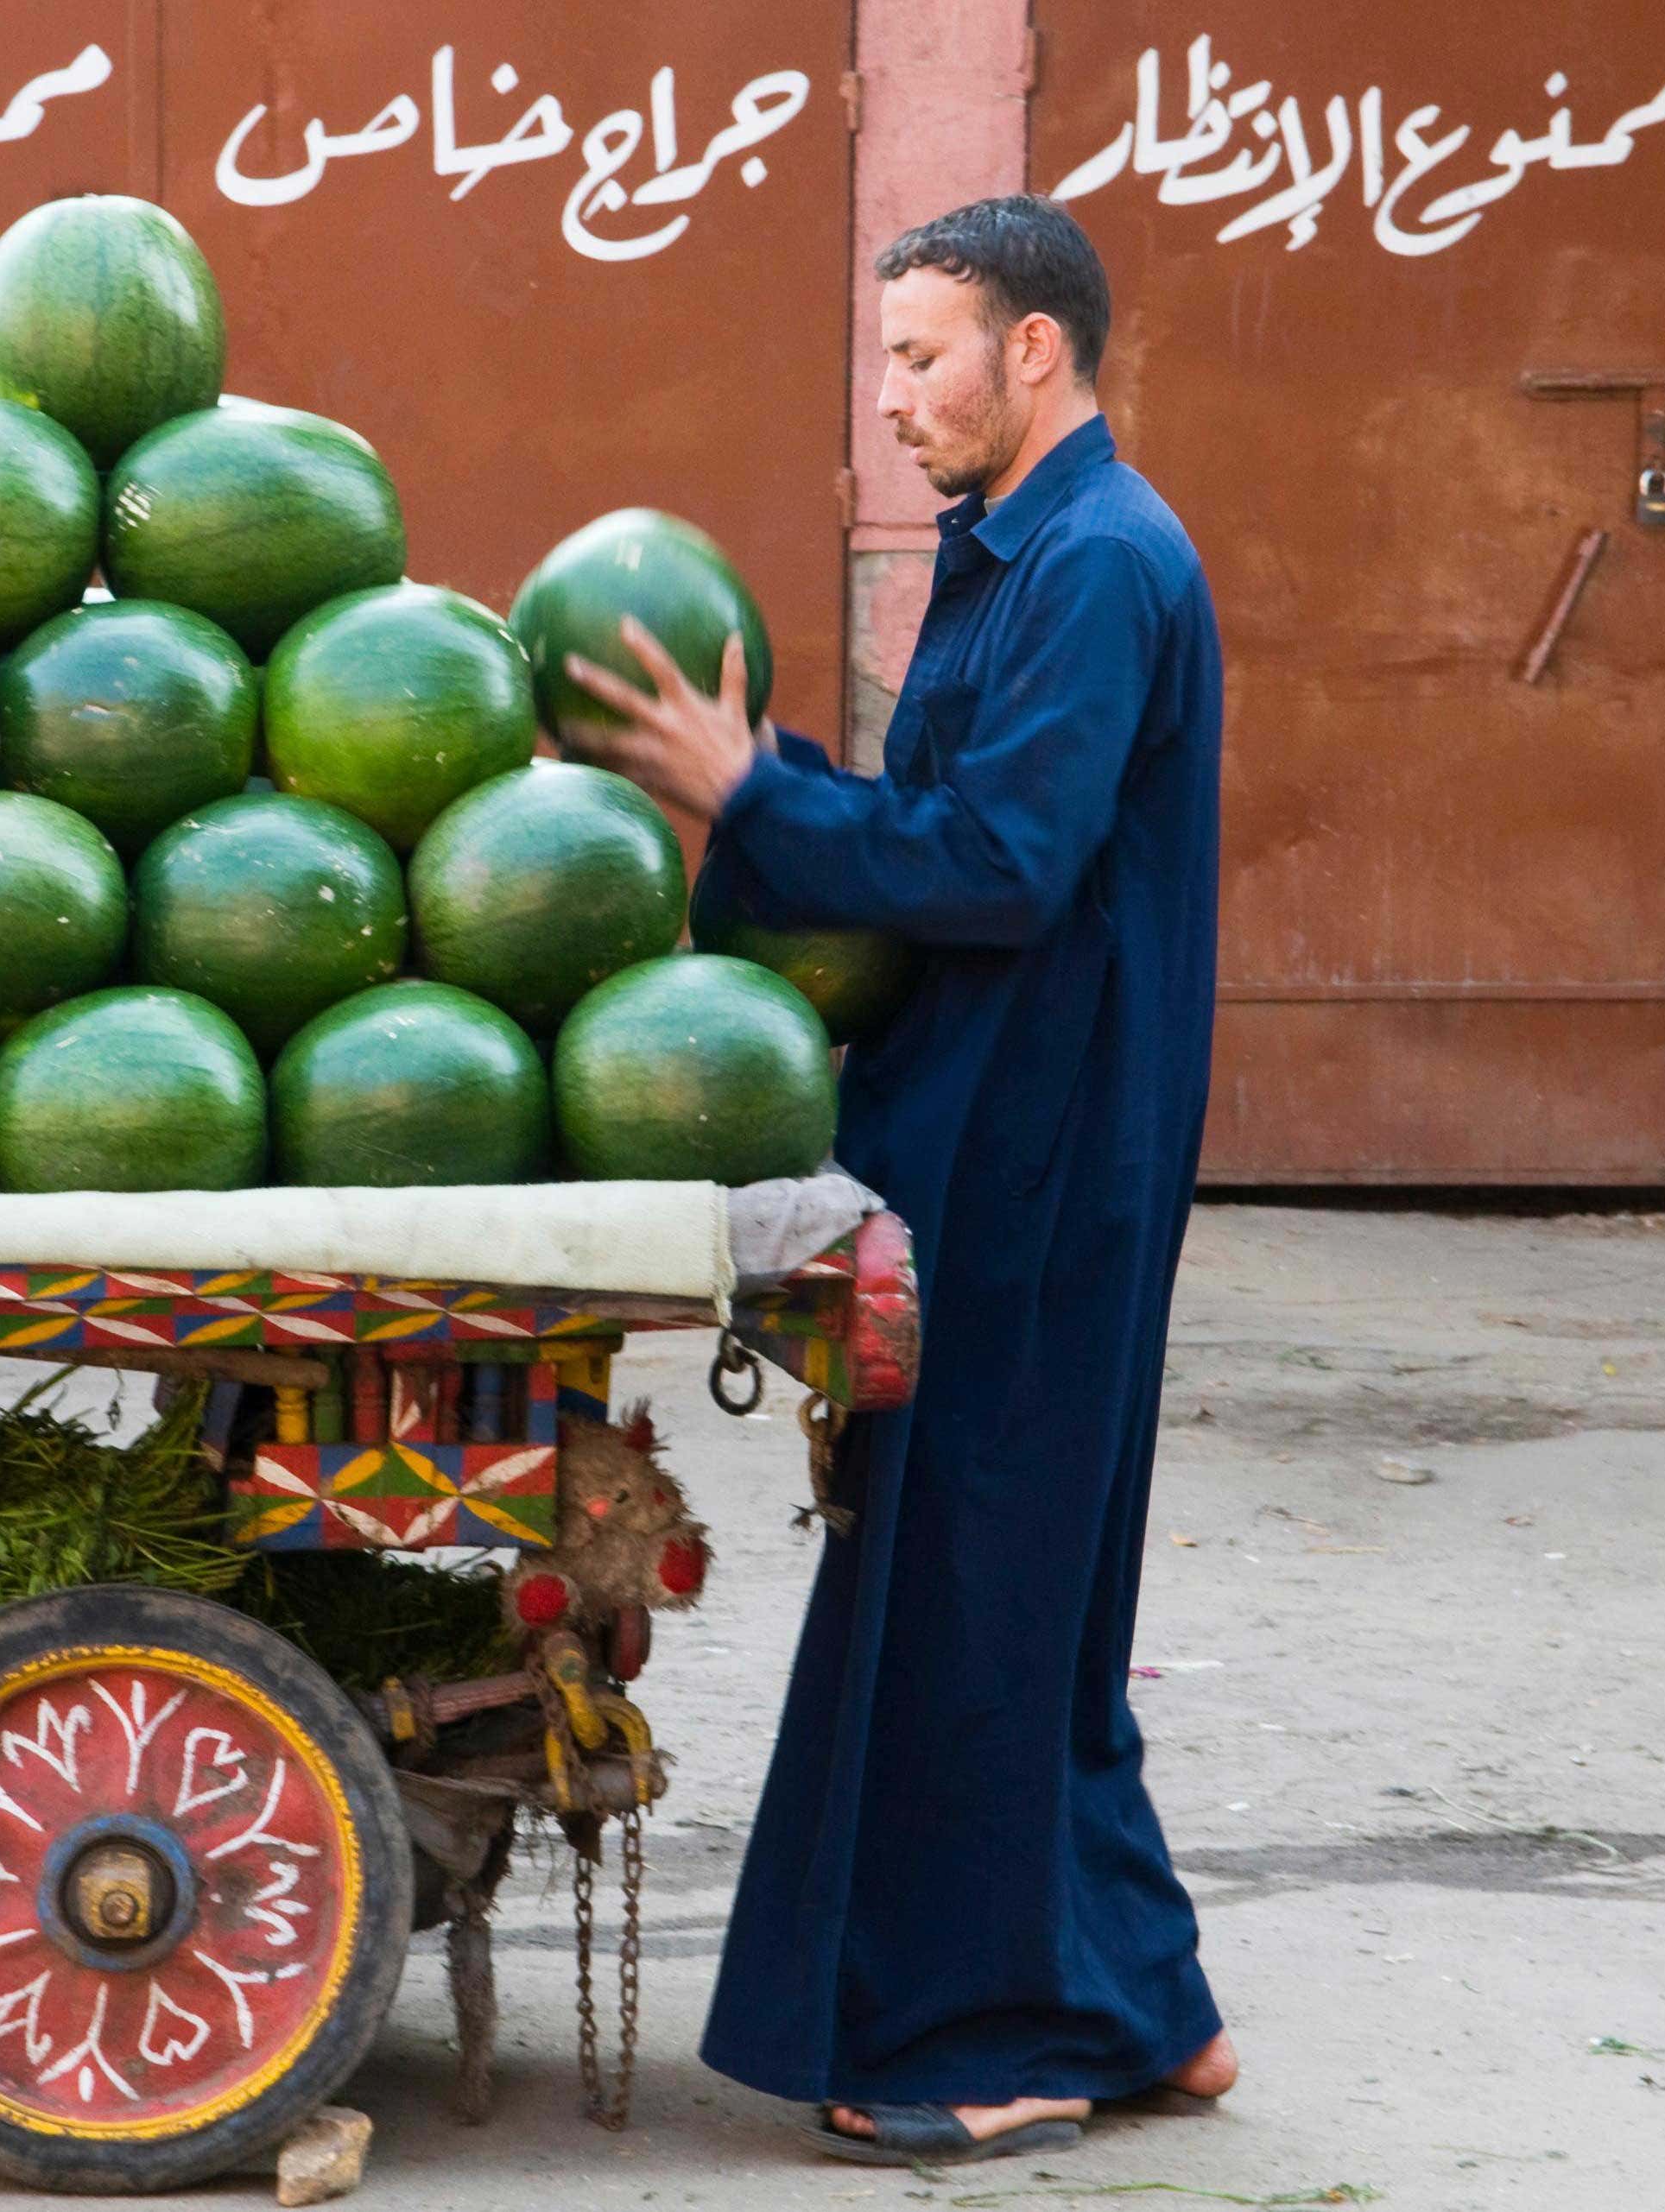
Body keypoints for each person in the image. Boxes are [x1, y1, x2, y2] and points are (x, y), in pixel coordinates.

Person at [558, 195, 1239, 2167]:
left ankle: (989, 2037)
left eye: (922, 354)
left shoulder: (1102, 562)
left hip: (1047, 1160)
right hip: (981, 1133)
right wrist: (758, 786)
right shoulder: (1013, 546)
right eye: (886, 356)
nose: (892, 394)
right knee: (1020, 1586)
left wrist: (753, 799)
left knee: (972, 1590)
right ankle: (1149, 2005)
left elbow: (998, 866)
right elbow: (941, 821)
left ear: (1037, 353)